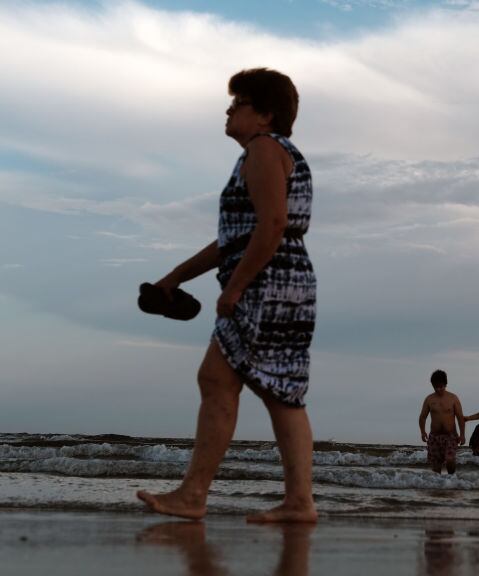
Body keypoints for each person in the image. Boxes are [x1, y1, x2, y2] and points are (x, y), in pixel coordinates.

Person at [137, 68, 317, 523]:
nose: (229, 109)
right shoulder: (272, 152)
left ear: (264, 115)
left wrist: (235, 288)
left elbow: (272, 225)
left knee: (222, 380)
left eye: (238, 102)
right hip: (285, 280)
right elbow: (236, 238)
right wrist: (177, 276)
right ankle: (298, 501)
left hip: (266, 282)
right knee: (280, 392)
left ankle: (195, 494)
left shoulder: (263, 149)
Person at [418, 370, 466, 474]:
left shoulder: (453, 398)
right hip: (434, 436)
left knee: (449, 460)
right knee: (436, 467)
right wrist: (422, 431)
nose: (438, 389)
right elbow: (422, 417)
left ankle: (452, 479)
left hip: (450, 435)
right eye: (436, 387)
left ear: (445, 384)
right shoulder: (429, 399)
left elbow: (460, 418)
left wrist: (462, 435)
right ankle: (439, 488)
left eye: (441, 386)